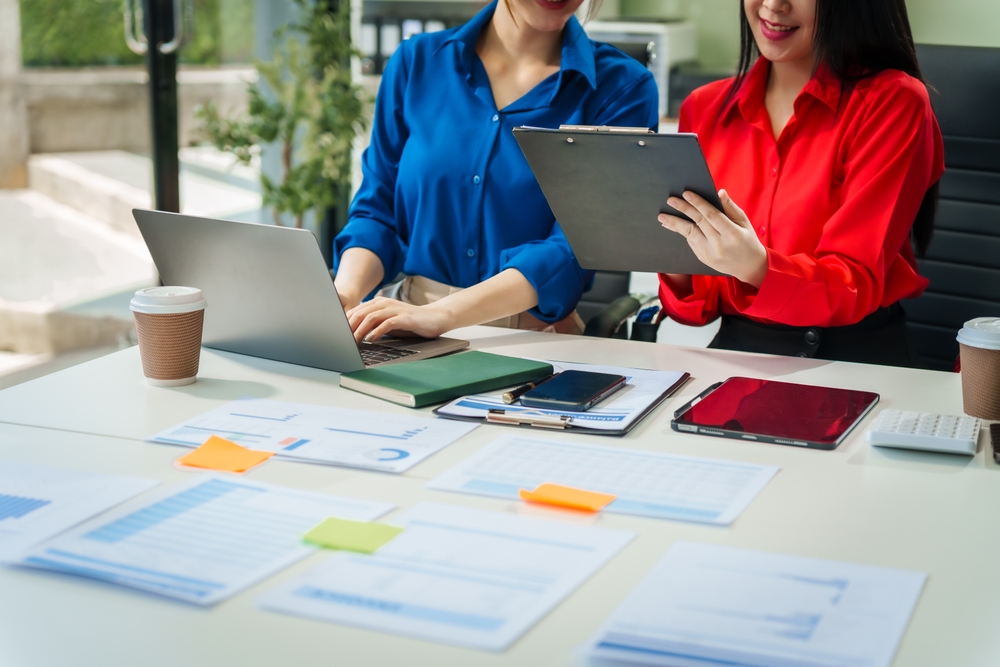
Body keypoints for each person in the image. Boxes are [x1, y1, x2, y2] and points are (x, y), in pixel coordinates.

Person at [334, 0, 658, 343]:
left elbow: (574, 247)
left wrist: (442, 314)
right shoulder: (416, 62)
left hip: (531, 339)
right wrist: (344, 295)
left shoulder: (622, 88)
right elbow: (378, 211)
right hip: (404, 326)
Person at [657, 0, 943, 366]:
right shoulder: (704, 107)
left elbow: (853, 282)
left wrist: (756, 266)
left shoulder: (893, 101)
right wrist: (671, 253)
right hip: (738, 353)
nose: (773, 5)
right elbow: (696, 306)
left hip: (851, 359)